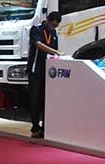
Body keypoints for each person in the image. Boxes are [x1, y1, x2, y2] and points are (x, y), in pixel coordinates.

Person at [27, 11, 62, 139]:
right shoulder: (36, 29)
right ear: (47, 20)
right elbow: (38, 44)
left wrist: (56, 55)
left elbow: (54, 53)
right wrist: (55, 51)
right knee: (35, 98)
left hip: (49, 71)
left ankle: (46, 127)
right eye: (52, 24)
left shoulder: (54, 33)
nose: (53, 27)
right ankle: (35, 127)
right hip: (35, 69)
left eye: (56, 25)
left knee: (47, 99)